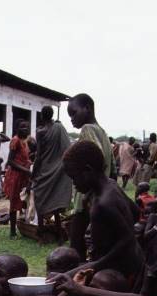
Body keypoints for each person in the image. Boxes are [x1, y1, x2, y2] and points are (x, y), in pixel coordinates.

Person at [61, 141, 143, 284]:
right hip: (126, 262)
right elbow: (135, 212)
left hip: (118, 270)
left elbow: (128, 239)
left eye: (74, 177)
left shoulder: (103, 203)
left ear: (87, 170)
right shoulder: (111, 185)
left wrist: (95, 264)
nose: (74, 184)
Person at [66, 94, 112, 259]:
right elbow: (112, 167)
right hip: (100, 195)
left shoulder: (88, 130)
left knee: (76, 246)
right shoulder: (103, 132)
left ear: (87, 108)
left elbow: (96, 159)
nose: (71, 119)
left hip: (86, 197)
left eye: (73, 113)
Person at [31, 105, 73, 227]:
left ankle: (41, 233)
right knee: (55, 202)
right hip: (58, 169)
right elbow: (67, 149)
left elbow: (38, 156)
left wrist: (33, 175)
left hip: (44, 170)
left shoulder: (40, 131)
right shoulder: (59, 127)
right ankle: (59, 233)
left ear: (41, 116)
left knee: (40, 200)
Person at [3, 119, 33, 237]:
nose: (25, 129)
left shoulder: (25, 141)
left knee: (23, 200)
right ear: (17, 128)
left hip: (23, 175)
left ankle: (24, 226)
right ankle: (12, 231)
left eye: (27, 127)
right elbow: (10, 161)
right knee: (14, 202)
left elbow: (23, 157)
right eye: (22, 127)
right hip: (15, 176)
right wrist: (25, 169)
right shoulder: (15, 141)